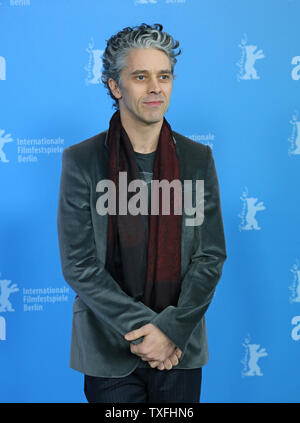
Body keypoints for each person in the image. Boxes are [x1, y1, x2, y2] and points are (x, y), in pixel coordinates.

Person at [57, 23, 227, 403]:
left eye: (163, 76)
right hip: (107, 350)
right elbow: (79, 263)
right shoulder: (82, 161)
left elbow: (209, 256)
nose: (155, 88)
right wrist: (148, 330)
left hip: (179, 350)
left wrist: (171, 331)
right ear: (115, 86)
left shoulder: (198, 159)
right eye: (140, 76)